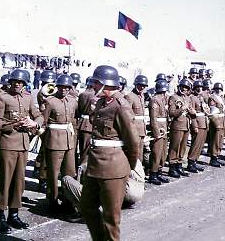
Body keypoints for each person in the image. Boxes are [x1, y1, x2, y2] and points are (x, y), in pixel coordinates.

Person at [80, 65, 139, 241]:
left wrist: (129, 166)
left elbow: (133, 141)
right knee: (86, 206)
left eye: (96, 83)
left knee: (111, 217)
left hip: (114, 168)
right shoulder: (99, 102)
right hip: (95, 164)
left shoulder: (121, 106)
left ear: (105, 84)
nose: (94, 87)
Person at [0, 69, 43, 234]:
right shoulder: (2, 97)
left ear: (25, 84)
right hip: (7, 144)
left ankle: (13, 214)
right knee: (4, 181)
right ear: (10, 82)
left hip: (23, 145)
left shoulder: (28, 97)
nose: (17, 84)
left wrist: (34, 124)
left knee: (19, 182)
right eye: (15, 82)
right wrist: (13, 125)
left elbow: (39, 115)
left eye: (21, 82)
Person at [41, 74, 78, 216]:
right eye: (62, 87)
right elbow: (43, 122)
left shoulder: (73, 101)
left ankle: (69, 201)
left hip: (69, 142)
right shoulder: (50, 101)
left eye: (67, 87)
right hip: (54, 141)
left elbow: (74, 120)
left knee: (70, 174)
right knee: (53, 174)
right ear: (57, 87)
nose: (64, 90)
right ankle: (52, 201)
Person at [167, 78, 195, 178]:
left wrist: (192, 112)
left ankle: (179, 165)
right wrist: (182, 109)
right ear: (179, 87)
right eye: (183, 87)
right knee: (175, 146)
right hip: (177, 125)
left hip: (186, 125)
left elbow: (190, 110)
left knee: (183, 147)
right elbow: (171, 113)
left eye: (187, 88)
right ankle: (172, 167)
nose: (184, 89)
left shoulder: (187, 98)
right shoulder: (173, 97)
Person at [147, 80, 170, 185]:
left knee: (163, 153)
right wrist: (156, 133)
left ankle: (159, 172)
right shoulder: (154, 100)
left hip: (164, 129)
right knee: (156, 153)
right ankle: (153, 174)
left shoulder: (163, 101)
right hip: (159, 130)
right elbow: (153, 119)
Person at [186, 80, 209, 173]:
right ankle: (191, 162)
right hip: (198, 123)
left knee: (200, 144)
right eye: (197, 88)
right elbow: (192, 114)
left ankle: (195, 161)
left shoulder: (201, 98)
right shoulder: (192, 98)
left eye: (200, 88)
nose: (199, 89)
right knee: (195, 144)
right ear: (194, 89)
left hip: (203, 123)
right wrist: (194, 125)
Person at [125, 75, 148, 162]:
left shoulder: (142, 96)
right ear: (135, 84)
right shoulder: (130, 96)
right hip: (134, 129)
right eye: (140, 85)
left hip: (141, 129)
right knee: (134, 153)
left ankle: (139, 173)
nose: (142, 87)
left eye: (144, 86)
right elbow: (127, 115)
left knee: (140, 153)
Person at [207, 82, 225, 167]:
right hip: (216, 121)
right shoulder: (212, 98)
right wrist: (217, 124)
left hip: (222, 120)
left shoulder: (221, 98)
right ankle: (213, 158)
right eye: (217, 89)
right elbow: (212, 113)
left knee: (220, 140)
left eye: (220, 89)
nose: (218, 90)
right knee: (215, 140)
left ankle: (217, 156)